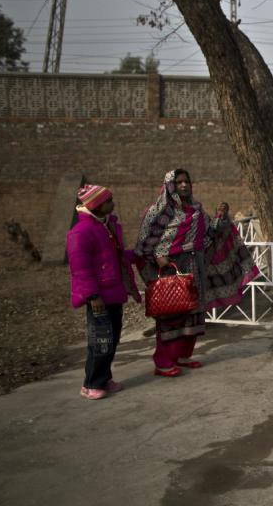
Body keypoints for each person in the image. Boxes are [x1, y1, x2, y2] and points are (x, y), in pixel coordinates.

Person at [135, 169, 258, 377]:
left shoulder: (197, 210)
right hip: (170, 270)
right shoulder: (158, 212)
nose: (184, 185)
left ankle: (183, 355)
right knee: (172, 313)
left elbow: (209, 236)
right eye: (179, 182)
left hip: (195, 267)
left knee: (193, 312)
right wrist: (158, 257)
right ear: (170, 186)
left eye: (187, 182)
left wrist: (221, 216)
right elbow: (144, 243)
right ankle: (163, 361)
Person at [67, 184, 141, 400]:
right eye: (108, 201)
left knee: (111, 338)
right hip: (99, 297)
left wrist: (135, 256)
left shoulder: (107, 227)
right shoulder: (81, 232)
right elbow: (80, 268)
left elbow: (114, 258)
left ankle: (104, 377)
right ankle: (91, 383)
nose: (113, 204)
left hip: (113, 293)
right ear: (98, 206)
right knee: (100, 341)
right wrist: (92, 295)